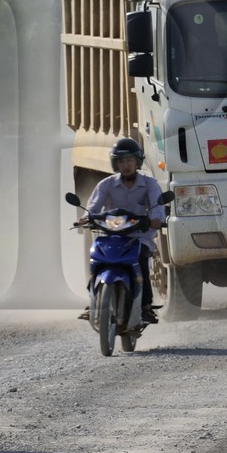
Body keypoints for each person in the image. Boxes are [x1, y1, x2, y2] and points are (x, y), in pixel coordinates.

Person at [82, 136, 166, 325]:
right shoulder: (106, 184)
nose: (126, 165)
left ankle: (145, 307)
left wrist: (156, 219)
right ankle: (93, 301)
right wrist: (87, 217)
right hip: (111, 235)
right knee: (97, 260)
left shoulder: (150, 184)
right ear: (115, 163)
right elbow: (93, 206)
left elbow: (157, 206)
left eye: (129, 160)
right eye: (121, 161)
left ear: (137, 162)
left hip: (139, 237)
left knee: (141, 260)